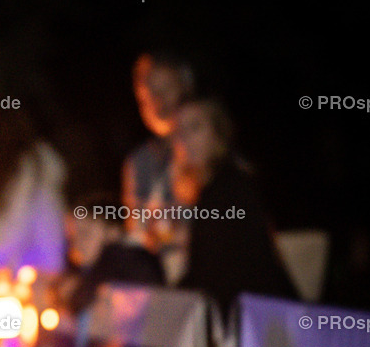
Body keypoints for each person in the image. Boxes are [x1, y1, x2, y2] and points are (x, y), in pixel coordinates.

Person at [171, 97, 297, 309]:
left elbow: (214, 277)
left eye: (195, 128)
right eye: (180, 131)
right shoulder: (218, 185)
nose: (185, 139)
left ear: (218, 132)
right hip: (257, 311)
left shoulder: (228, 190)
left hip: (260, 320)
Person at [121, 51, 196, 252]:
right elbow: (136, 233)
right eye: (148, 93)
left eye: (166, 89)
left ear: (186, 88)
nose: (158, 100)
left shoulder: (209, 151)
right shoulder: (140, 161)